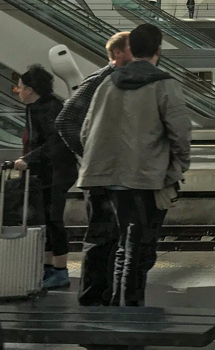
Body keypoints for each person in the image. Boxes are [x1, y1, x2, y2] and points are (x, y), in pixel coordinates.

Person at [79, 24, 191, 307]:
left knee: (118, 247)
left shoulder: (107, 83)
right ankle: (129, 308)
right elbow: (180, 134)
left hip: (102, 178)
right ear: (158, 50)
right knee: (139, 248)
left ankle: (109, 304)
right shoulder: (163, 84)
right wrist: (174, 171)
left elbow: (85, 131)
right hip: (144, 179)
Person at [55, 31, 133, 305]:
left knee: (110, 238)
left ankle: (102, 296)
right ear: (119, 53)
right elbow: (65, 121)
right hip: (102, 177)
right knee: (102, 238)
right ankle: (93, 301)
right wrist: (91, 155)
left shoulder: (118, 81)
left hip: (109, 173)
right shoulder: (101, 80)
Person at [12, 65, 78, 290]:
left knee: (54, 219)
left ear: (30, 89)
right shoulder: (36, 107)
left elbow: (54, 143)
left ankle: (60, 270)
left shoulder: (50, 109)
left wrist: (28, 159)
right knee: (45, 219)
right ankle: (49, 266)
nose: (17, 91)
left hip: (56, 172)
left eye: (18, 88)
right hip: (45, 173)